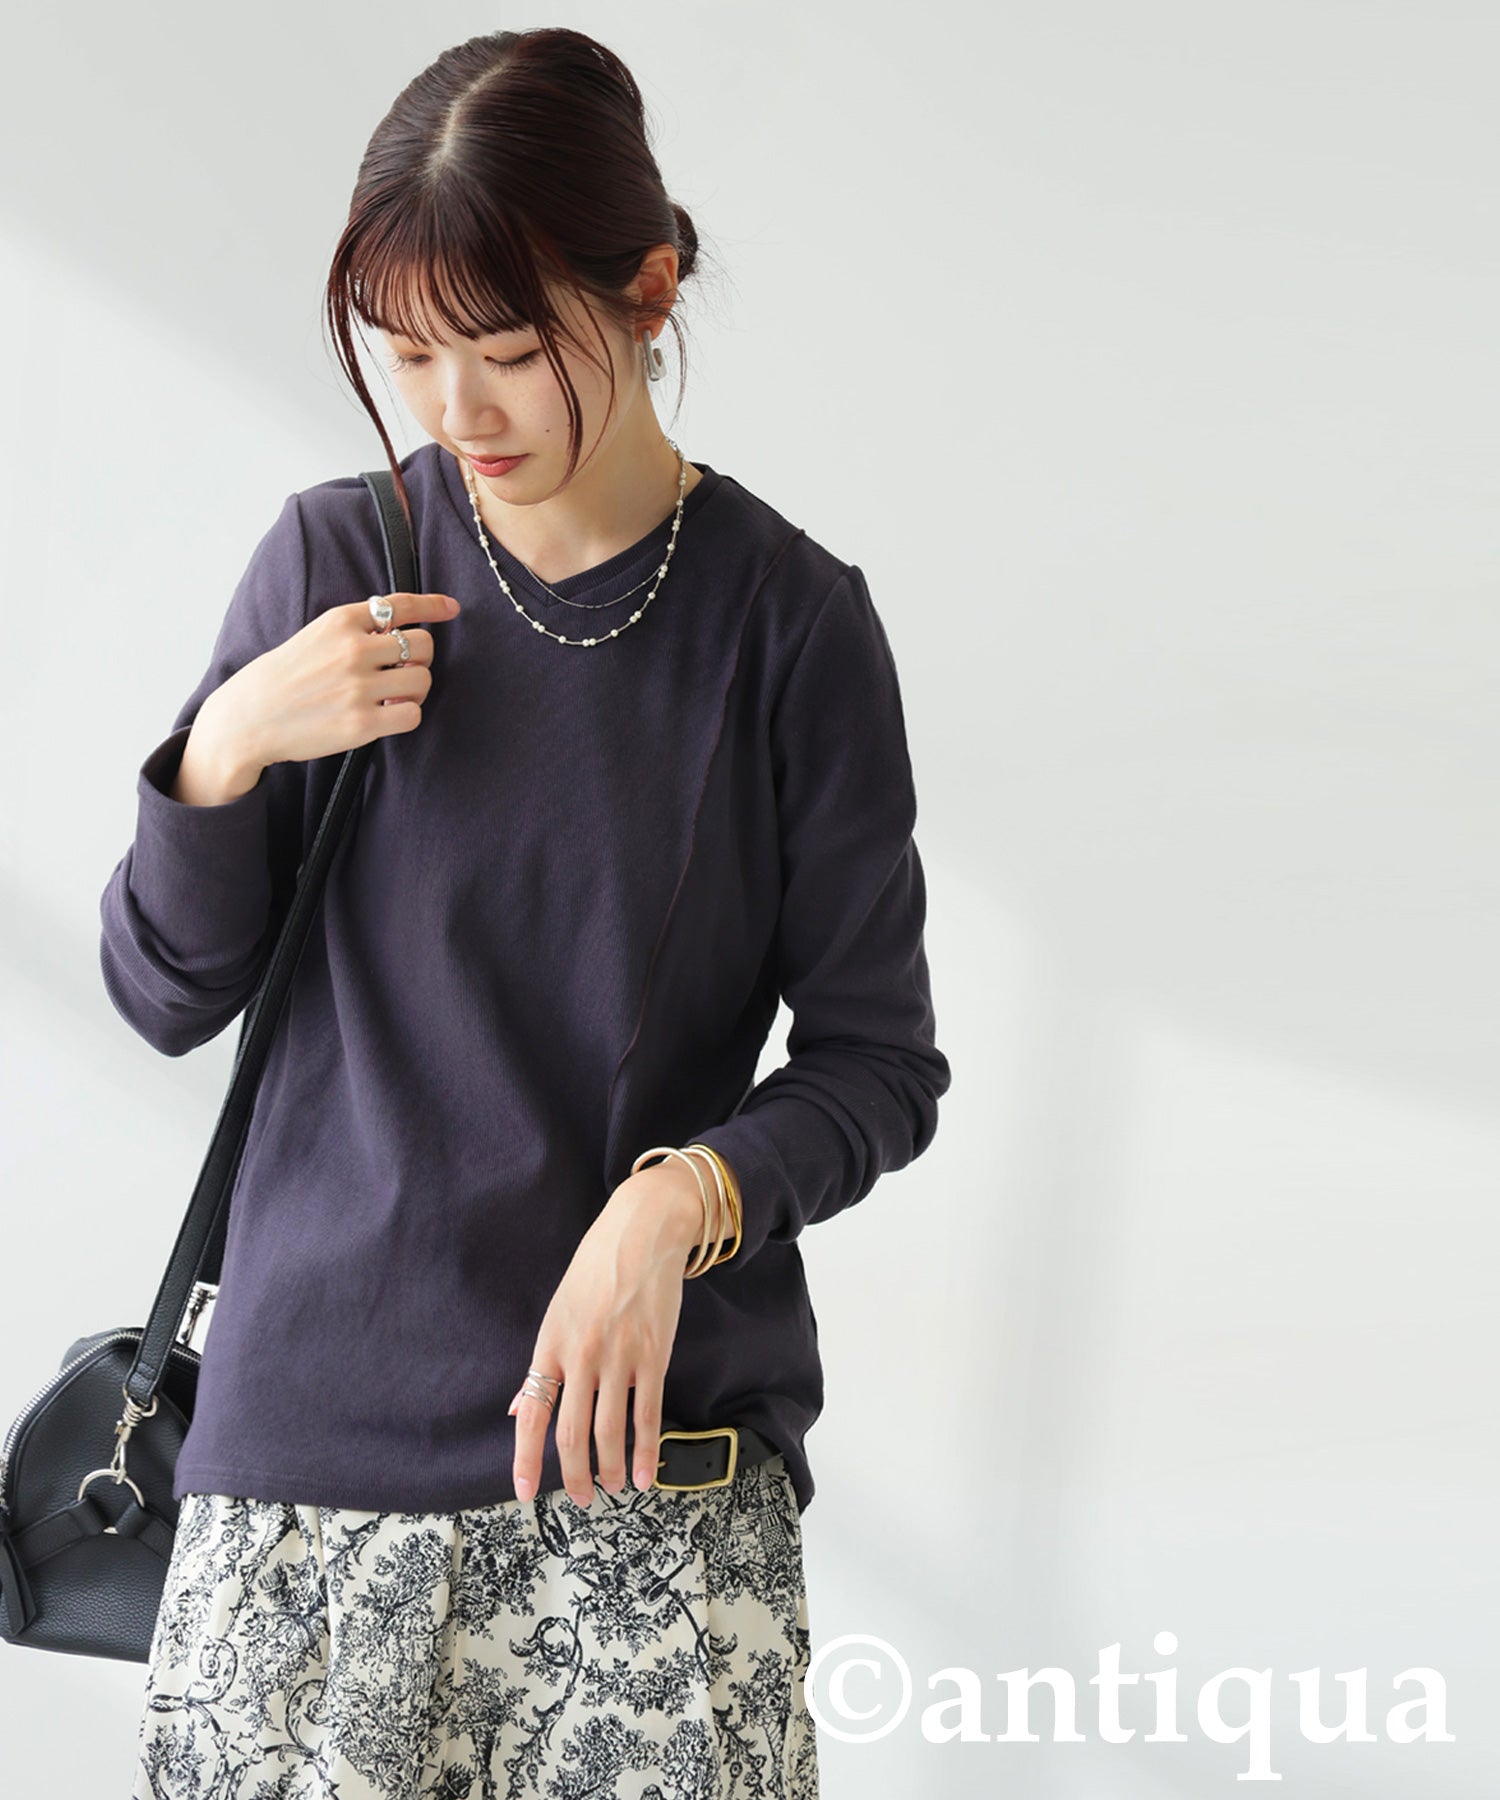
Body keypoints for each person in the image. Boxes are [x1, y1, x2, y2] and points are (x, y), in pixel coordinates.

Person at [109, 24, 950, 1800]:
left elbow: (879, 1062)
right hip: (304, 1498)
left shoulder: (790, 628)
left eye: (503, 352)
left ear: (649, 292)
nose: (456, 412)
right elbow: (164, 991)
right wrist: (227, 745)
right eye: (408, 352)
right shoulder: (339, 568)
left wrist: (677, 1204)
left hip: (653, 1490)